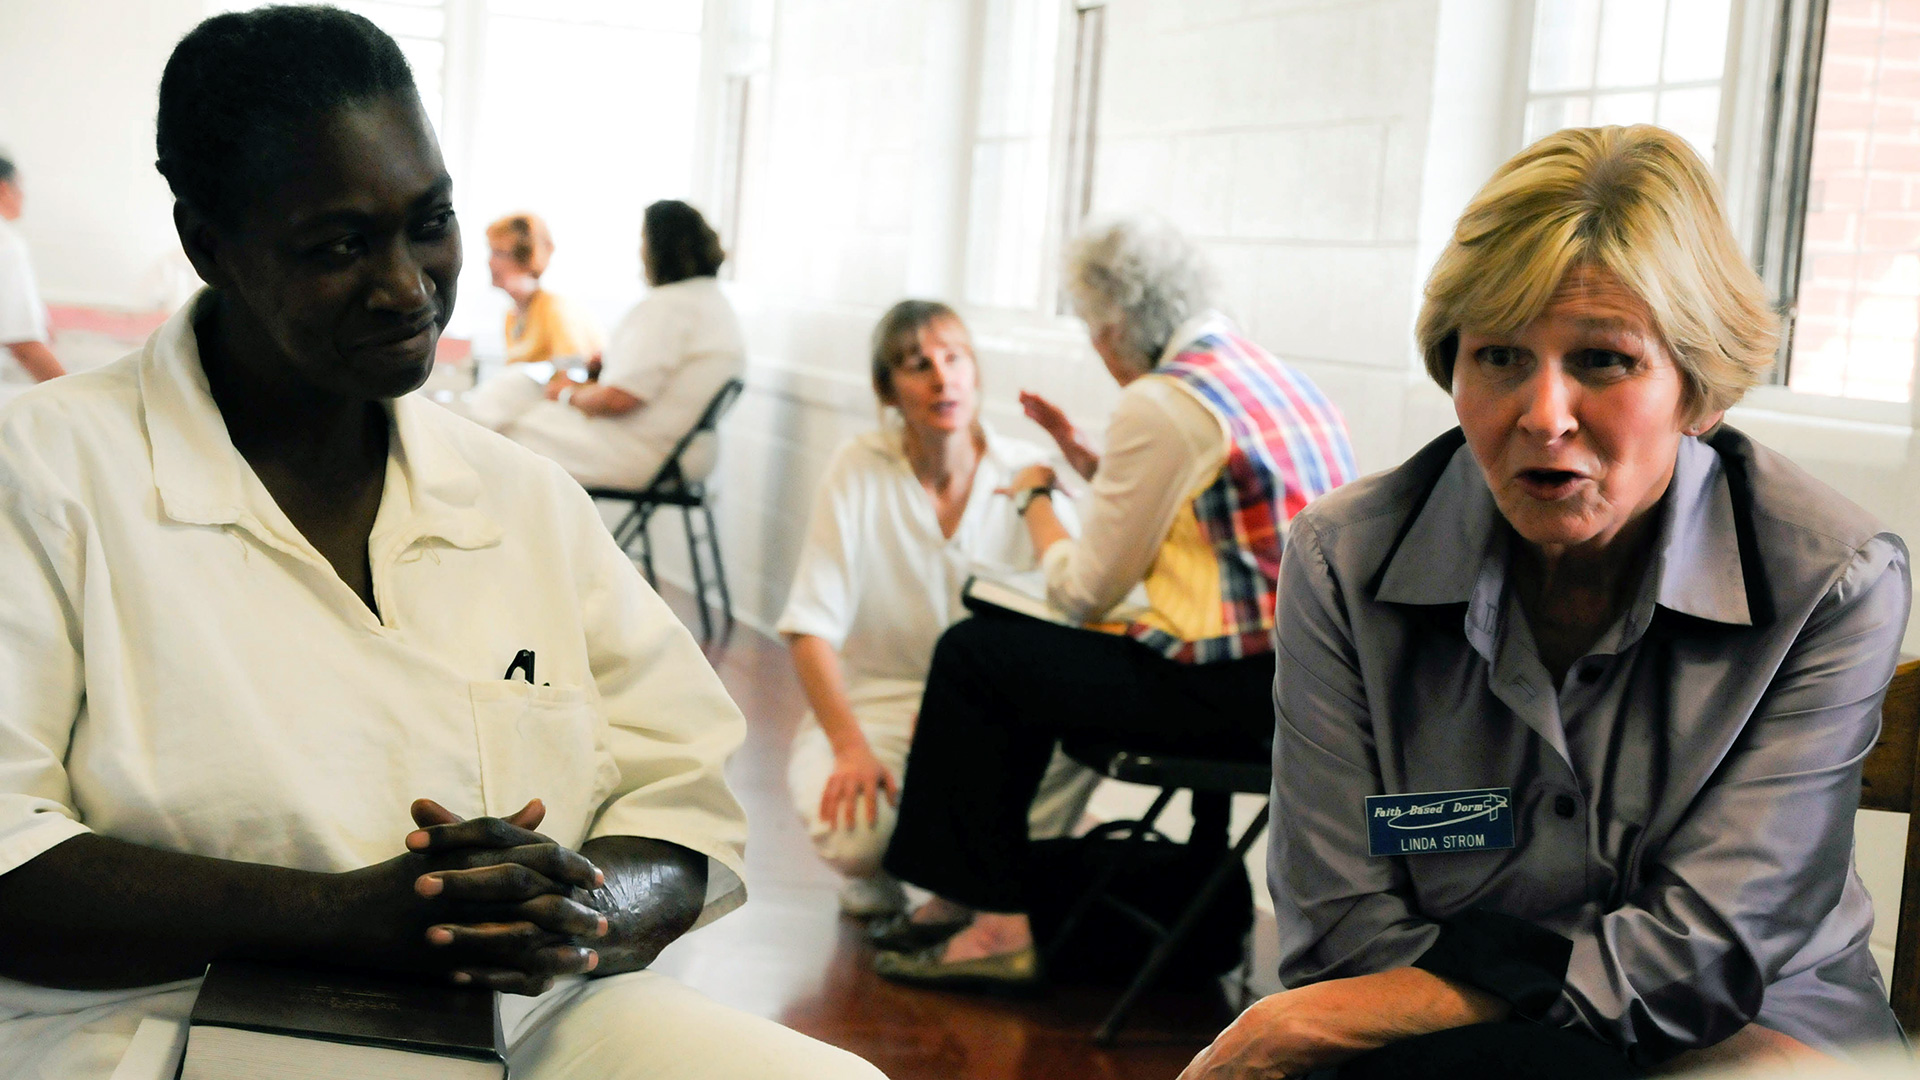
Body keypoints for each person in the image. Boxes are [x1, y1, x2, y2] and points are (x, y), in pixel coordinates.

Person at [0, 9, 883, 1080]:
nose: (407, 283)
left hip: (527, 1020)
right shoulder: (44, 473)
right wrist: (351, 917)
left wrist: (584, 906)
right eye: (338, 245)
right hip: (156, 1027)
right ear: (208, 244)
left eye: (429, 221)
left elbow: (681, 794)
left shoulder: (522, 501)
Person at [1179, 125, 1911, 1080]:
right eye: (1499, 357)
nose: (1542, 414)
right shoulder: (1343, 564)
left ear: (1700, 386)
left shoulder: (1830, 581)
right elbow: (1339, 929)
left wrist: (1440, 1002)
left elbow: (1707, 955)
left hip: (1751, 1046)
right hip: (1445, 1051)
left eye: (1603, 360)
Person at [874, 216, 1358, 990]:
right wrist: (1100, 469)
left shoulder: (1163, 401)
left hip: (1233, 693)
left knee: (977, 656)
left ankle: (991, 916)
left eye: (1094, 336)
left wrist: (1036, 495)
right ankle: (968, 897)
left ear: (1115, 325)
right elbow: (1216, 513)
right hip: (1306, 690)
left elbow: (1079, 589)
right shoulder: (1263, 372)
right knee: (1011, 658)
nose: (1100, 357)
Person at [778, 300, 1098, 924]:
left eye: (954, 360)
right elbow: (809, 626)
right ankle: (894, 869)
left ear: (976, 376)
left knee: (1083, 739)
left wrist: (1086, 473)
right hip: (883, 704)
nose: (941, 378)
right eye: (917, 365)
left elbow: (1083, 600)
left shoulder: (1025, 476)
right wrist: (849, 748)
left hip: (998, 715)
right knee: (855, 837)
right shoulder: (859, 468)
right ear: (887, 388)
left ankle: (979, 886)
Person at [475, 200, 745, 492]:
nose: (640, 253)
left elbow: (619, 398)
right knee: (504, 412)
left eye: (643, 242)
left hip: (643, 453)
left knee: (499, 437)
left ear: (660, 249)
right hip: (681, 452)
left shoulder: (669, 307)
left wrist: (566, 394)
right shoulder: (711, 303)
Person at [487, 212, 602, 367]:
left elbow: (574, 371)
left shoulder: (554, 308)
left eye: (499, 253)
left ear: (527, 258)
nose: (490, 262)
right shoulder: (511, 316)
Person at [0, 155, 65, 385]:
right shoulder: (6, 244)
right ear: (3, 188)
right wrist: (72, 398)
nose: (24, 196)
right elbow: (25, 346)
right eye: (20, 186)